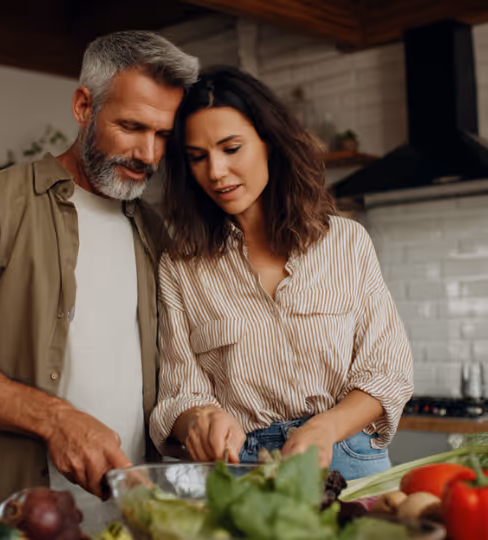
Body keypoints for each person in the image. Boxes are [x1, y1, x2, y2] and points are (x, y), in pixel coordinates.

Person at [0, 31, 199, 523]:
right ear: (83, 106)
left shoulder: (154, 232)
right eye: (132, 126)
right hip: (9, 517)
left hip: (130, 520)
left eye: (163, 135)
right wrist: (56, 420)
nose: (148, 154)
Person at [149, 67, 413, 481]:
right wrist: (201, 420)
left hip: (345, 456)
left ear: (269, 144)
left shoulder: (345, 242)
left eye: (231, 148)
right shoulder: (181, 266)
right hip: (242, 469)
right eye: (197, 157)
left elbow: (388, 370)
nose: (215, 172)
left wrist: (325, 427)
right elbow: (179, 394)